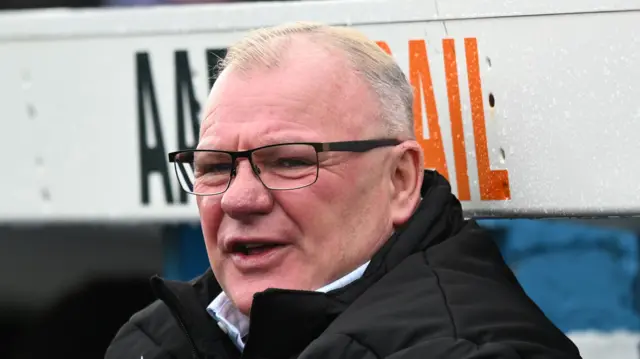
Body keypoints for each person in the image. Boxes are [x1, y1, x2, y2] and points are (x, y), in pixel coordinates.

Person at [105, 22, 582, 359]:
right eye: (213, 167)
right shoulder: (155, 339)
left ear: (400, 180)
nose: (237, 199)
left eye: (290, 161)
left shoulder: (473, 349)